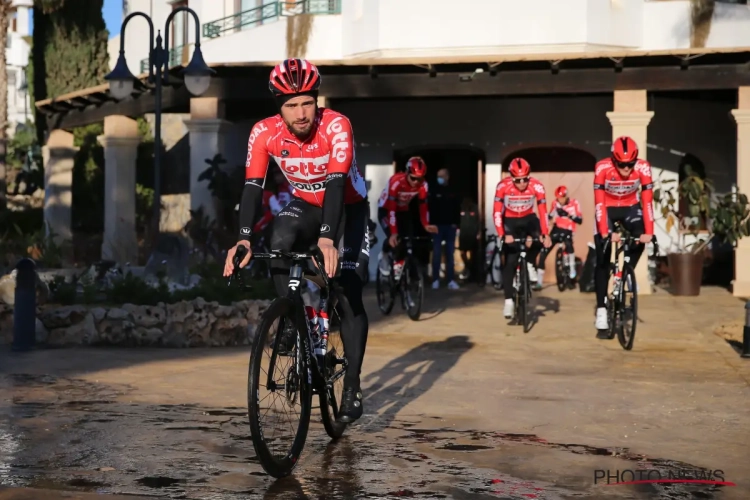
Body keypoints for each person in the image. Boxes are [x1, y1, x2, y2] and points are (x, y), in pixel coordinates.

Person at [223, 58, 370, 423]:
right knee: (277, 238)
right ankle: (293, 319)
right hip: (305, 206)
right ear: (279, 107)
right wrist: (242, 239)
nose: (301, 113)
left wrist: (326, 239)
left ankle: (351, 385)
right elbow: (253, 186)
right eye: (291, 105)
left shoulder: (336, 125)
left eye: (307, 102)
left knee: (348, 289)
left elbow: (336, 184)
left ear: (316, 99)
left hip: (348, 211)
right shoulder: (264, 133)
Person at [593, 136, 655, 331]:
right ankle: (602, 310)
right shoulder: (602, 168)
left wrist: (650, 232)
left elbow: (647, 202)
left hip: (629, 207)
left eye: (630, 164)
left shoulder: (643, 168)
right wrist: (605, 232)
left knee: (641, 234)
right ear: (613, 160)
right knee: (602, 258)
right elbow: (599, 204)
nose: (627, 169)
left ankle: (627, 271)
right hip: (607, 209)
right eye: (622, 164)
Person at [493, 158, 552, 319]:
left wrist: (545, 233)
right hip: (510, 221)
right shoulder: (502, 186)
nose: (522, 183)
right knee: (510, 262)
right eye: (518, 180)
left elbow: (543, 211)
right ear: (511, 177)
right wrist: (502, 235)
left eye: (525, 179)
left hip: (528, 218)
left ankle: (530, 264)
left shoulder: (537, 186)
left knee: (540, 238)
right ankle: (508, 302)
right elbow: (497, 212)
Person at [379, 157, 438, 280]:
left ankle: (400, 268)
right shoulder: (396, 182)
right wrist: (394, 233)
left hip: (403, 211)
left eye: (420, 178)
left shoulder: (423, 185)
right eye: (413, 178)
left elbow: (423, 206)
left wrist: (426, 224)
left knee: (409, 239)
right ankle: (384, 254)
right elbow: (391, 210)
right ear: (407, 173)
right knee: (394, 238)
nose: (416, 182)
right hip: (386, 210)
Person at [535, 185, 582, 289]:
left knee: (569, 246)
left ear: (566, 196)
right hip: (557, 229)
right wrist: (544, 220)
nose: (560, 200)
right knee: (544, 252)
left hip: (569, 229)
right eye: (558, 198)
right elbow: (550, 216)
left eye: (562, 198)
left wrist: (568, 215)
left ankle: (572, 268)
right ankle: (539, 281)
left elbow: (580, 220)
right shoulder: (555, 203)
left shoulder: (574, 203)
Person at [428, 168, 461, 290]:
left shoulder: (453, 190)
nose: (439, 178)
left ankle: (451, 280)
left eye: (441, 176)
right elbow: (429, 208)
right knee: (436, 253)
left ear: (447, 176)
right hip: (437, 227)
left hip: (450, 227)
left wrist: (456, 224)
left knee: (450, 254)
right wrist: (431, 224)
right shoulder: (434, 190)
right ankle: (436, 279)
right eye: (438, 176)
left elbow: (457, 208)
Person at [458, 197, 480, 281]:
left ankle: (471, 271)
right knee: (462, 252)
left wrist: (478, 232)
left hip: (472, 233)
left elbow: (478, 220)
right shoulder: (461, 207)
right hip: (463, 234)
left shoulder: (475, 207)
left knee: (472, 252)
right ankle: (468, 267)